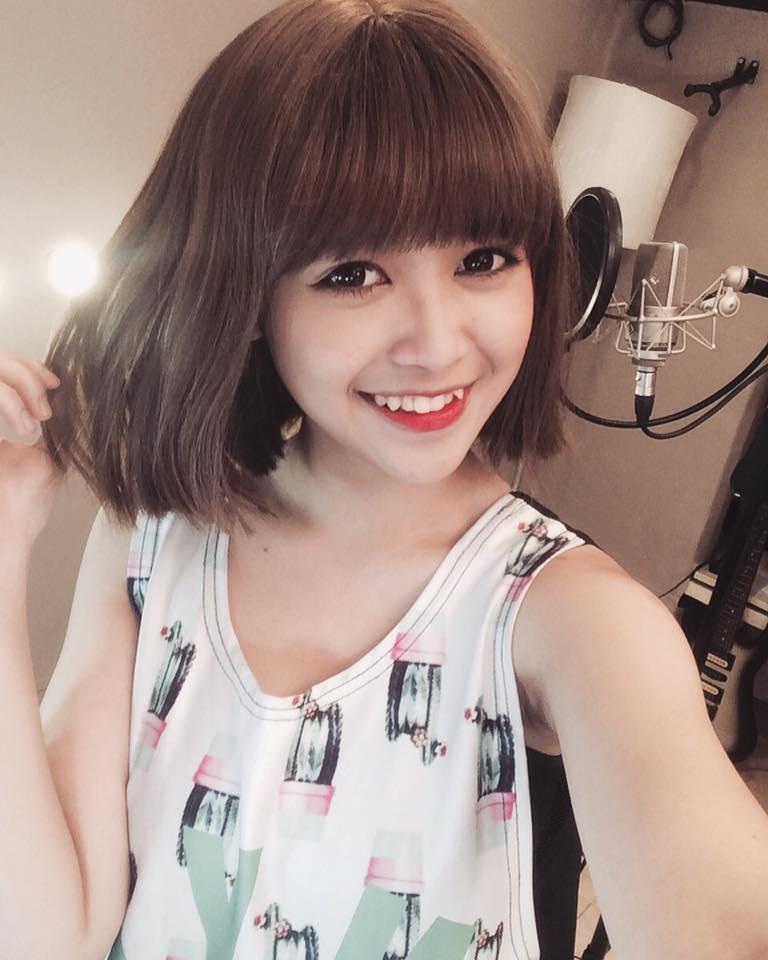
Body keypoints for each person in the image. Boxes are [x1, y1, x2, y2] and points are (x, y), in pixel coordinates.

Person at [1, 1, 767, 958]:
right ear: (244, 290)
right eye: (353, 274)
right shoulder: (156, 537)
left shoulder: (570, 620)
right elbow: (47, 935)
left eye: (483, 260)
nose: (438, 344)